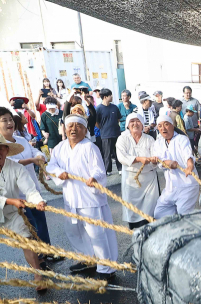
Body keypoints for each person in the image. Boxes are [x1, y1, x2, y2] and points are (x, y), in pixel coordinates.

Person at [46, 114, 118, 282]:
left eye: (78, 126)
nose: (73, 129)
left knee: (96, 233)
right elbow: (51, 165)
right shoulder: (60, 148)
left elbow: (99, 169)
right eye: (70, 125)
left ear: (85, 130)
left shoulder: (89, 147)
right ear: (64, 128)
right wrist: (58, 173)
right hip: (71, 198)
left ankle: (106, 268)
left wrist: (94, 178)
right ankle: (88, 259)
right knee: (74, 231)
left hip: (89, 199)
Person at [0, 107, 52, 252]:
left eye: (10, 119)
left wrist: (39, 156)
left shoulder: (22, 140)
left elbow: (33, 150)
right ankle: (38, 260)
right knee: (30, 228)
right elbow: (10, 163)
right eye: (4, 120)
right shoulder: (1, 147)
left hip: (32, 189)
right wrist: (31, 160)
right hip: (17, 197)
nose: (9, 123)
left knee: (41, 222)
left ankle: (48, 252)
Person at [0, 135, 47, 289]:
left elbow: (29, 189)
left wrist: (37, 201)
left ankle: (38, 274)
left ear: (6, 150)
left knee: (26, 239)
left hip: (13, 212)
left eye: (1, 148)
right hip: (11, 204)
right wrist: (10, 201)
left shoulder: (16, 168)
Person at [115, 113, 160, 229]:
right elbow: (121, 157)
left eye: (138, 121)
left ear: (142, 123)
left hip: (149, 180)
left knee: (150, 211)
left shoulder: (149, 139)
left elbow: (155, 156)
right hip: (130, 180)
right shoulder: (122, 139)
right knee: (133, 211)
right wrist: (140, 159)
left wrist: (154, 160)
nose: (135, 124)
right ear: (128, 125)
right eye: (132, 121)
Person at [152, 115, 199, 218]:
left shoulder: (181, 139)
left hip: (187, 185)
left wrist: (190, 166)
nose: (163, 128)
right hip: (170, 187)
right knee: (159, 214)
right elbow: (158, 161)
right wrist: (168, 163)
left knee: (184, 216)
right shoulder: (158, 143)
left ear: (172, 126)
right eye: (160, 126)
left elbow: (188, 155)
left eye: (166, 124)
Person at [95, 88, 122, 175]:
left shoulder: (114, 107)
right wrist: (102, 128)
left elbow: (118, 119)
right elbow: (96, 122)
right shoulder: (98, 108)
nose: (112, 97)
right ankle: (108, 170)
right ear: (105, 97)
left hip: (116, 133)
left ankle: (120, 168)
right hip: (105, 134)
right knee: (107, 153)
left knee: (118, 152)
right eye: (110, 95)